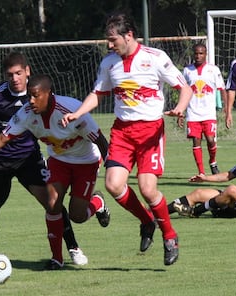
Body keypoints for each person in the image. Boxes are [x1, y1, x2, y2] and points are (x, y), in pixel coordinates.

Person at [62, 12, 193, 266]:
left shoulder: (155, 58)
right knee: (112, 184)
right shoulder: (109, 63)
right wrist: (77, 112)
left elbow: (184, 88)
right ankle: (146, 221)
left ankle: (170, 236)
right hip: (122, 132)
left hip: (150, 133)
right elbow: (97, 94)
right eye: (107, 40)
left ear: (128, 35)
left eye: (113, 40)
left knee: (147, 189)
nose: (109, 45)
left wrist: (181, 107)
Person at [0, 73, 110, 270]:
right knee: (52, 204)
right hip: (58, 161)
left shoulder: (72, 109)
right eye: (29, 96)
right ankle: (56, 258)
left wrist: (110, 166)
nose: (30, 101)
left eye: (35, 96)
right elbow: (1, 139)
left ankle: (97, 202)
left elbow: (100, 140)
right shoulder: (26, 113)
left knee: (78, 215)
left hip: (85, 161)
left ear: (48, 94)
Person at [180, 43, 227, 175]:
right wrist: (180, 112)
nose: (198, 56)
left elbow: (222, 89)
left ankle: (212, 161)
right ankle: (201, 172)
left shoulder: (213, 70)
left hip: (208, 113)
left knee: (211, 140)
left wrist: (226, 109)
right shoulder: (187, 71)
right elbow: (183, 91)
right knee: (196, 141)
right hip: (192, 113)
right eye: (196, 53)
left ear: (205, 54)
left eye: (201, 53)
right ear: (193, 54)